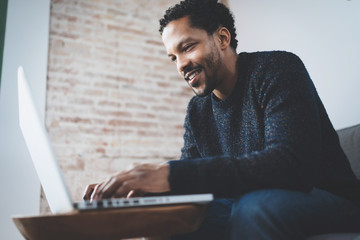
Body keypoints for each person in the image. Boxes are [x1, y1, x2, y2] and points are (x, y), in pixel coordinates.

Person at [83, 0, 360, 239]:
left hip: (331, 200)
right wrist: (138, 189)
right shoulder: (197, 111)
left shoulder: (277, 69)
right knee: (167, 211)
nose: (180, 65)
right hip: (244, 203)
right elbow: (191, 175)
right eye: (173, 57)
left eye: (188, 47)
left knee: (255, 207)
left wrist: (169, 173)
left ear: (222, 39)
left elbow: (290, 165)